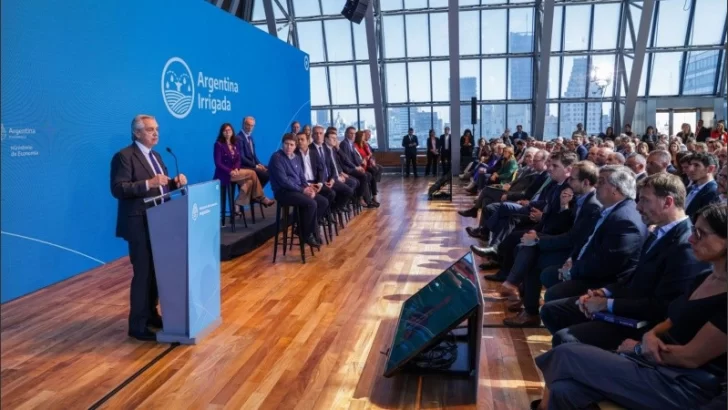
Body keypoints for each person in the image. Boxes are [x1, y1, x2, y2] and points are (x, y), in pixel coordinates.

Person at [531, 204, 727, 410]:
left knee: (565, 353)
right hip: (658, 365)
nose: (691, 238)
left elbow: (690, 358)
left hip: (684, 385)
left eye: (700, 233)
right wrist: (650, 336)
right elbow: (670, 319)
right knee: (564, 390)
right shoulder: (705, 277)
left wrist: (638, 348)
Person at [111, 114, 188, 341]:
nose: (156, 133)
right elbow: (118, 189)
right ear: (137, 133)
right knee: (143, 274)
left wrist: (175, 182)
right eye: (150, 129)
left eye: (157, 129)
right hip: (139, 224)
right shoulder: (124, 157)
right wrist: (148, 183)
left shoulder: (156, 156)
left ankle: (152, 314)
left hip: (160, 221)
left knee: (156, 273)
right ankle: (137, 325)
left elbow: (161, 189)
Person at [268, 133, 327, 249]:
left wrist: (309, 188)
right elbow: (284, 181)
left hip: (297, 190)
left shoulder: (296, 157)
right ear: (282, 144)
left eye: (291, 145)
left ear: (295, 146)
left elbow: (301, 177)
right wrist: (303, 190)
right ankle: (307, 234)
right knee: (311, 203)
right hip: (283, 192)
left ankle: (302, 229)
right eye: (286, 144)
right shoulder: (276, 158)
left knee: (323, 202)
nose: (288, 147)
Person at [213, 123, 274, 226]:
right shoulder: (218, 144)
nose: (227, 132)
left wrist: (236, 169)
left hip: (236, 172)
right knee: (253, 173)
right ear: (222, 132)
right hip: (225, 174)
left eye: (229, 130)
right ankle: (261, 197)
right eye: (225, 130)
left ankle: (237, 204)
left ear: (232, 131)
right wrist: (230, 171)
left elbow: (238, 160)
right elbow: (218, 163)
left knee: (249, 182)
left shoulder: (234, 143)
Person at [237, 116, 269, 188]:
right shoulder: (238, 138)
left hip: (252, 165)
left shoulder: (250, 137)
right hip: (244, 166)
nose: (250, 127)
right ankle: (256, 195)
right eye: (248, 125)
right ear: (243, 124)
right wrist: (255, 166)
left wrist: (260, 165)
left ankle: (255, 194)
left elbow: (254, 155)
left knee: (269, 170)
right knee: (265, 175)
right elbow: (242, 158)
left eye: (252, 125)